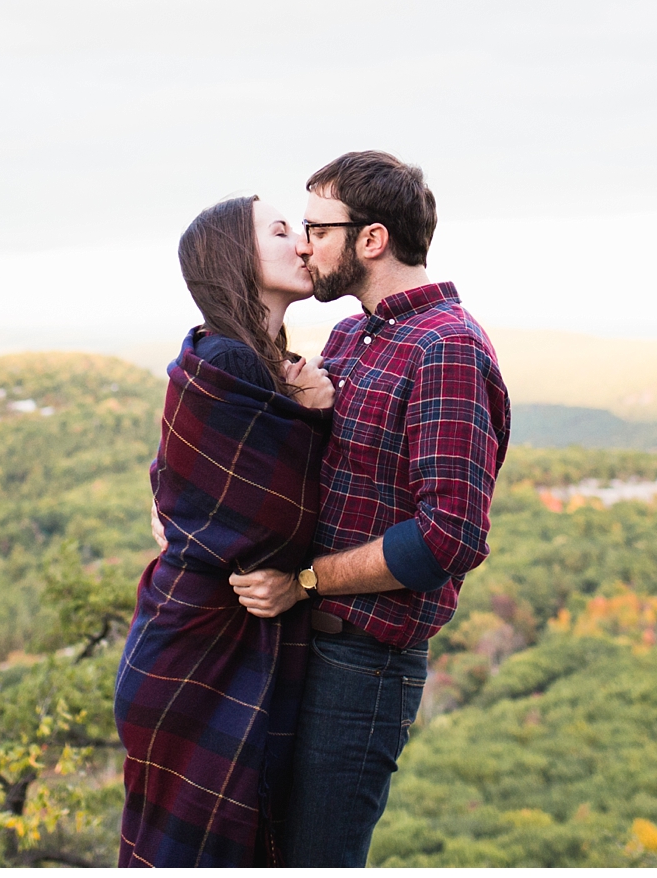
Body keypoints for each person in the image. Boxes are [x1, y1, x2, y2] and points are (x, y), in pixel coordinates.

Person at [229, 151, 510, 867]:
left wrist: (310, 580)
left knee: (316, 860)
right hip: (296, 643)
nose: (304, 244)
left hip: (363, 666)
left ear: (372, 240)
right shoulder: (354, 335)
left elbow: (448, 536)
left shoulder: (446, 347)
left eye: (319, 229)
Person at [113, 196, 335, 866]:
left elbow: (175, 484)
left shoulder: (239, 359)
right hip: (203, 651)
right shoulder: (234, 363)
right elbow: (275, 524)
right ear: (236, 258)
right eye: (280, 231)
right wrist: (316, 416)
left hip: (191, 639)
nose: (302, 242)